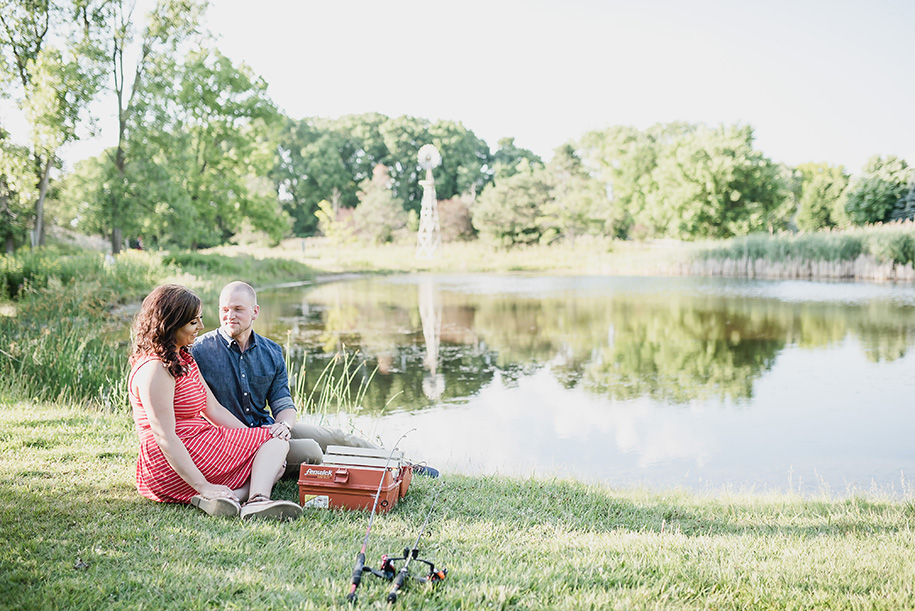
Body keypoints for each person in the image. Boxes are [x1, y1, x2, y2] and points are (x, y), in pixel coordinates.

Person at [191, 281, 438, 478]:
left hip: (268, 429)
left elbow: (283, 404)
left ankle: (402, 465)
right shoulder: (200, 351)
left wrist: (284, 427)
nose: (229, 315)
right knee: (311, 451)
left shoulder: (272, 352)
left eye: (238, 309)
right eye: (224, 310)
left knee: (338, 436)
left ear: (255, 312)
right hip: (230, 441)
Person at [128, 284, 302, 520]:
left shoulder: (183, 357)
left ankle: (233, 498)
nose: (200, 326)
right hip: (169, 461)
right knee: (276, 444)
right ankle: (256, 500)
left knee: (273, 447)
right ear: (171, 324)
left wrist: (254, 443)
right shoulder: (155, 369)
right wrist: (203, 485)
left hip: (198, 443)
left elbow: (214, 409)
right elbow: (164, 437)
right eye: (193, 322)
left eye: (199, 319)